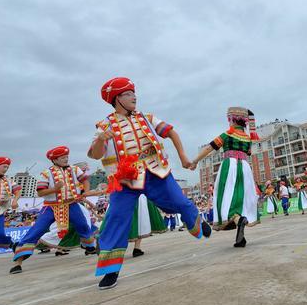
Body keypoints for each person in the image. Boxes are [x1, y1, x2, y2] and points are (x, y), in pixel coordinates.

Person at [88, 77, 210, 289]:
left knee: (181, 203)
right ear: (116, 99)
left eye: (134, 93)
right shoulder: (104, 125)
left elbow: (171, 132)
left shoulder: (148, 118)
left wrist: (182, 157)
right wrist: (101, 139)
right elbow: (96, 154)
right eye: (127, 94)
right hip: (124, 180)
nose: (134, 97)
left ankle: (195, 222)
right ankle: (110, 270)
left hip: (156, 172)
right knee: (116, 218)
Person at [10, 146, 99, 274]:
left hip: (71, 204)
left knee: (83, 226)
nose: (66, 159)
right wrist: (55, 189)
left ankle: (90, 247)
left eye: (66, 157)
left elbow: (85, 180)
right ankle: (17, 262)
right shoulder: (46, 173)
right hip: (51, 207)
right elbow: (40, 193)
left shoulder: (75, 169)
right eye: (62, 158)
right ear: (55, 160)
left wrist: (86, 191)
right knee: (37, 230)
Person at [191, 107, 261, 248]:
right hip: (245, 167)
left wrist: (195, 161)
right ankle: (240, 236)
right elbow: (248, 152)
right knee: (241, 198)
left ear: (232, 119)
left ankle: (237, 218)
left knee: (226, 197)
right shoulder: (247, 137)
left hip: (230, 165)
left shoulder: (228, 134)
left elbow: (209, 148)